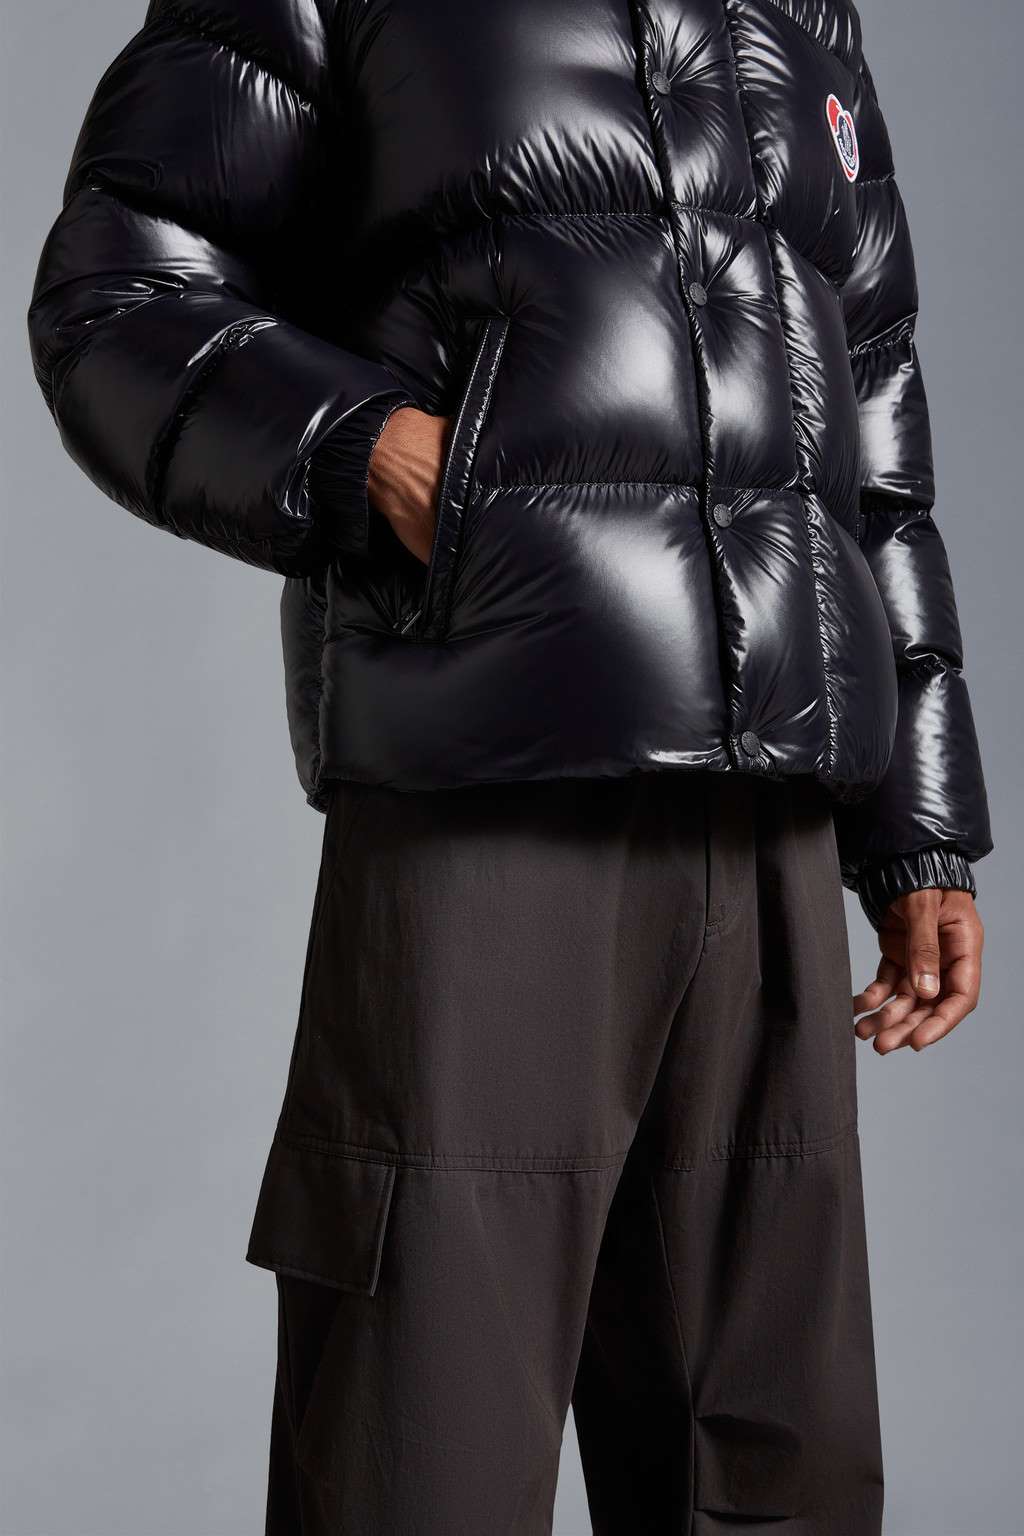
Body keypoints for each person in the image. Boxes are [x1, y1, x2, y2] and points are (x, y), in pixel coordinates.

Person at [27, 1, 991, 1531]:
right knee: (426, 1443)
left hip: (773, 824)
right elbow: (117, 294)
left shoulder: (808, 13)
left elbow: (872, 411)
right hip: (485, 781)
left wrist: (919, 830)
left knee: (774, 1463)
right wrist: (374, 452)